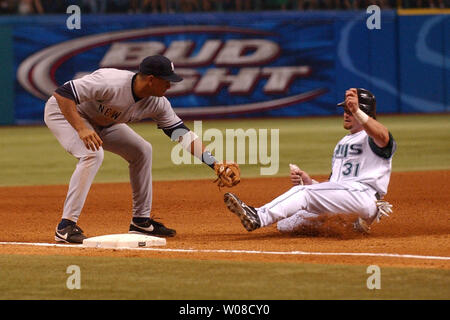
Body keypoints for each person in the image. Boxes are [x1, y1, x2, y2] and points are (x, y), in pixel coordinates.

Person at [45, 55, 237, 243]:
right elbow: (63, 93)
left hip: (105, 123)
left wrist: (215, 164)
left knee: (142, 150)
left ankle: (140, 221)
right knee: (92, 155)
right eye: (166, 81)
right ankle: (66, 226)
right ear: (151, 80)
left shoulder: (157, 102)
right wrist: (81, 128)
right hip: (65, 113)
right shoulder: (111, 82)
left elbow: (180, 133)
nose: (170, 86)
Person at [224, 88, 395, 235]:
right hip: (349, 200)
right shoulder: (343, 142)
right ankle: (349, 225)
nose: (346, 113)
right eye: (346, 109)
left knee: (303, 193)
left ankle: (258, 216)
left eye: (350, 110)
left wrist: (358, 111)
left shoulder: (372, 137)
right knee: (287, 224)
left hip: (363, 196)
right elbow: (335, 186)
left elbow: (383, 136)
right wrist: (310, 181)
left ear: (363, 111)